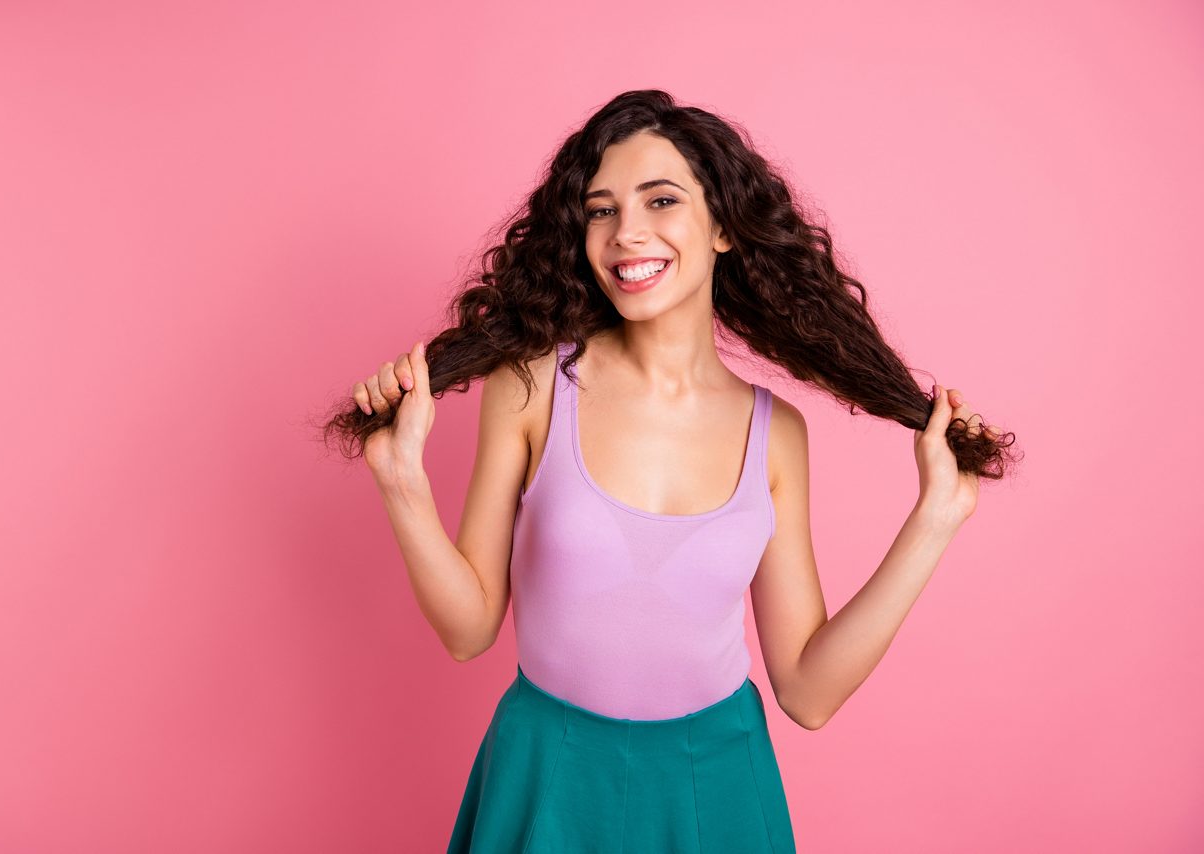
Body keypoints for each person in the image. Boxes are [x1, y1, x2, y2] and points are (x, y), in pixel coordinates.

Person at [324, 89, 1018, 853]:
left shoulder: (774, 433)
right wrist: (401, 483)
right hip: (546, 773)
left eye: (661, 201)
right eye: (600, 210)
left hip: (715, 783)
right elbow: (468, 631)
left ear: (724, 226)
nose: (627, 234)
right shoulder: (529, 385)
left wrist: (935, 521)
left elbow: (809, 693)